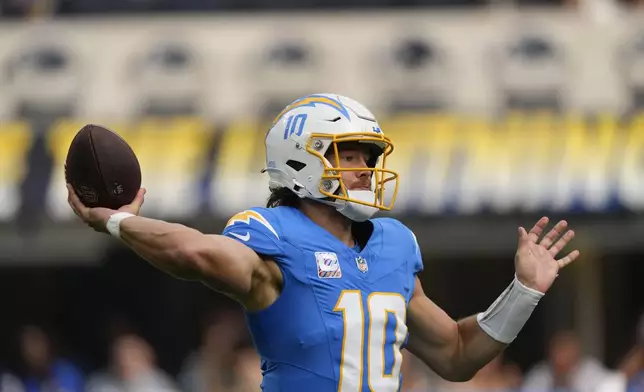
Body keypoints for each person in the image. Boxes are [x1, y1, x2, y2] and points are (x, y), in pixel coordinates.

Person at [67, 93, 580, 392]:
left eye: (368, 157)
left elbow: (457, 354)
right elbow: (197, 252)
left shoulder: (394, 245)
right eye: (350, 155)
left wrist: (523, 292)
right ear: (300, 160)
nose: (366, 170)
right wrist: (116, 222)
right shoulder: (273, 236)